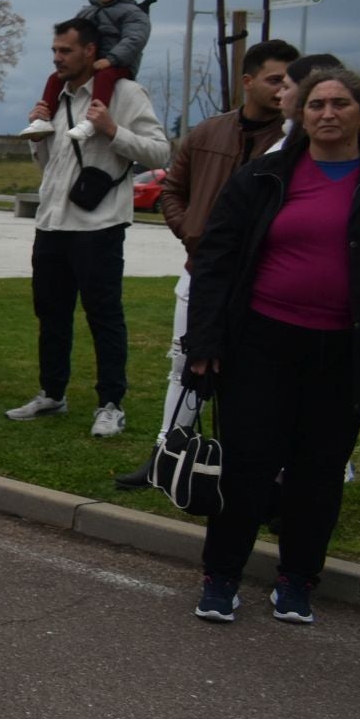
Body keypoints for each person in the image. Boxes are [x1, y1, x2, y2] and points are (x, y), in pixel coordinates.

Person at [184, 69, 360, 626]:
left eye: (341, 103)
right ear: (303, 113)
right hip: (263, 342)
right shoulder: (263, 175)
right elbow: (216, 259)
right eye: (317, 104)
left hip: (344, 349)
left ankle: (297, 580)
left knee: (319, 470)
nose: (328, 113)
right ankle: (221, 577)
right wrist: (206, 340)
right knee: (247, 463)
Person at [115, 39, 294, 488]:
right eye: (275, 79)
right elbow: (173, 189)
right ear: (248, 81)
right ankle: (167, 455)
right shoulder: (209, 132)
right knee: (184, 363)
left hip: (261, 280)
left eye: (290, 81)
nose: (283, 89)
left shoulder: (294, 143)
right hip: (201, 272)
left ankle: (265, 471)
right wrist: (191, 230)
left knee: (260, 378)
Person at [7, 19, 170, 436]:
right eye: (54, 51)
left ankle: (111, 403)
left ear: (89, 50)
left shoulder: (123, 93)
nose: (57, 58)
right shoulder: (56, 97)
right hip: (52, 222)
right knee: (51, 313)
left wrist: (112, 129)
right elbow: (48, 167)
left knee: (104, 316)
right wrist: (37, 135)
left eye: (65, 50)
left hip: (99, 226)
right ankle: (52, 394)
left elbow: (159, 151)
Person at [20, 0, 150, 141]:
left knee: (104, 76)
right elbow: (74, 34)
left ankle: (94, 118)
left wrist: (111, 59)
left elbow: (134, 40)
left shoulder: (133, 13)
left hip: (119, 64)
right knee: (55, 78)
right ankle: (44, 117)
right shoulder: (87, 12)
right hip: (92, 64)